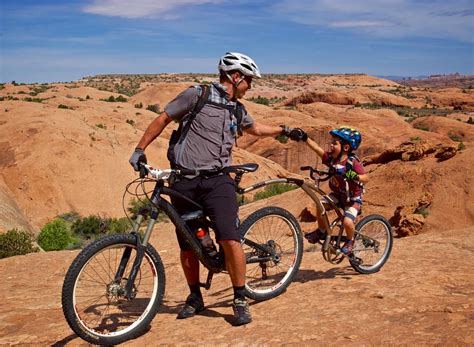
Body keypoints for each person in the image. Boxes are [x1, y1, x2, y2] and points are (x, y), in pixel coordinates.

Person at [129, 52, 305, 326]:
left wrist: (283, 130)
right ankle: (195, 297)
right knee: (188, 244)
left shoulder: (236, 108)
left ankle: (239, 298)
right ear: (235, 77)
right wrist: (140, 150)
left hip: (217, 180)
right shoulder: (196, 95)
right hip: (184, 181)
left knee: (229, 237)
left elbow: (255, 128)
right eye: (249, 81)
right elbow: (163, 119)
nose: (250, 87)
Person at [302, 127, 368, 255]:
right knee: (320, 205)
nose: (331, 145)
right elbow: (317, 149)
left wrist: (354, 176)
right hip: (338, 195)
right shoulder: (332, 159)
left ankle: (350, 241)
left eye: (335, 143)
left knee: (347, 222)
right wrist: (305, 138)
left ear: (346, 147)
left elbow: (366, 178)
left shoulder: (352, 162)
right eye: (331, 142)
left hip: (352, 199)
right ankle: (322, 231)